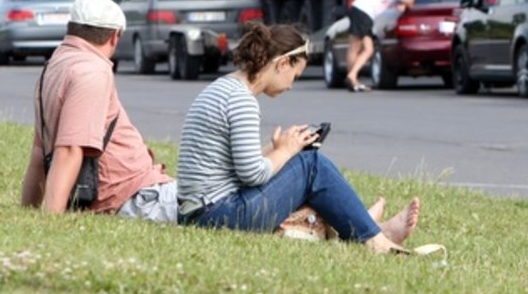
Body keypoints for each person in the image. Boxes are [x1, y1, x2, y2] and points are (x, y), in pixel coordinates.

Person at [175, 22, 422, 254]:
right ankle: (374, 239)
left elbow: (231, 168)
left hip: (197, 212)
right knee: (310, 164)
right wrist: (286, 151)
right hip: (218, 214)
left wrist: (276, 149)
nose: (291, 86)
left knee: (301, 159)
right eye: (295, 75)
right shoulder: (242, 101)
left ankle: (368, 227)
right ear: (282, 63)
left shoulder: (223, 87)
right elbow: (251, 175)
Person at [20, 0, 176, 222]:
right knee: (230, 203)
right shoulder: (92, 71)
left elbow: (39, 152)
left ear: (70, 29)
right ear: (115, 36)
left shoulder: (53, 67)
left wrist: (27, 211)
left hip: (133, 192)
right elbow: (70, 148)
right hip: (134, 196)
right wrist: (50, 221)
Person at [345, 0, 419, 92]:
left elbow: (392, 1)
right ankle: (352, 76)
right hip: (364, 11)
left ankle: (352, 78)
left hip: (361, 10)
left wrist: (398, 3)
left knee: (367, 49)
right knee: (356, 47)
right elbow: (410, 3)